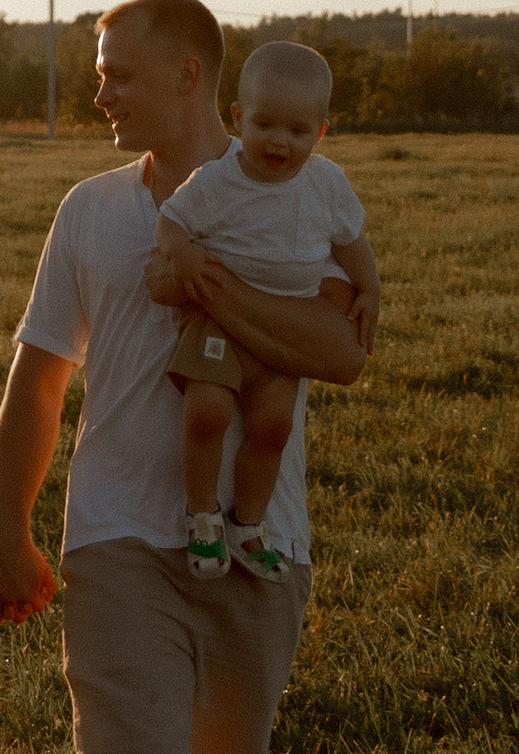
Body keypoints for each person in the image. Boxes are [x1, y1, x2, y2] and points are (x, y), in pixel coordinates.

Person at [0, 0, 373, 754]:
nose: (99, 91)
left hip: (258, 541)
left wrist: (207, 281)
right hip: (115, 538)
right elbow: (39, 378)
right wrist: (5, 524)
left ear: (189, 75)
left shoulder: (302, 198)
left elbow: (338, 351)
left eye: (117, 73)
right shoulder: (90, 211)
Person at [147, 40, 380, 586]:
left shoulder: (325, 183)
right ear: (237, 117)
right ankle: (203, 517)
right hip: (217, 321)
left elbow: (351, 241)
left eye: (298, 131)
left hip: (283, 325)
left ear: (320, 132)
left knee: (273, 427)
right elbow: (171, 221)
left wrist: (370, 289)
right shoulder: (217, 180)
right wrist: (181, 254)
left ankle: (247, 525)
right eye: (265, 124)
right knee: (207, 411)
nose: (280, 141)